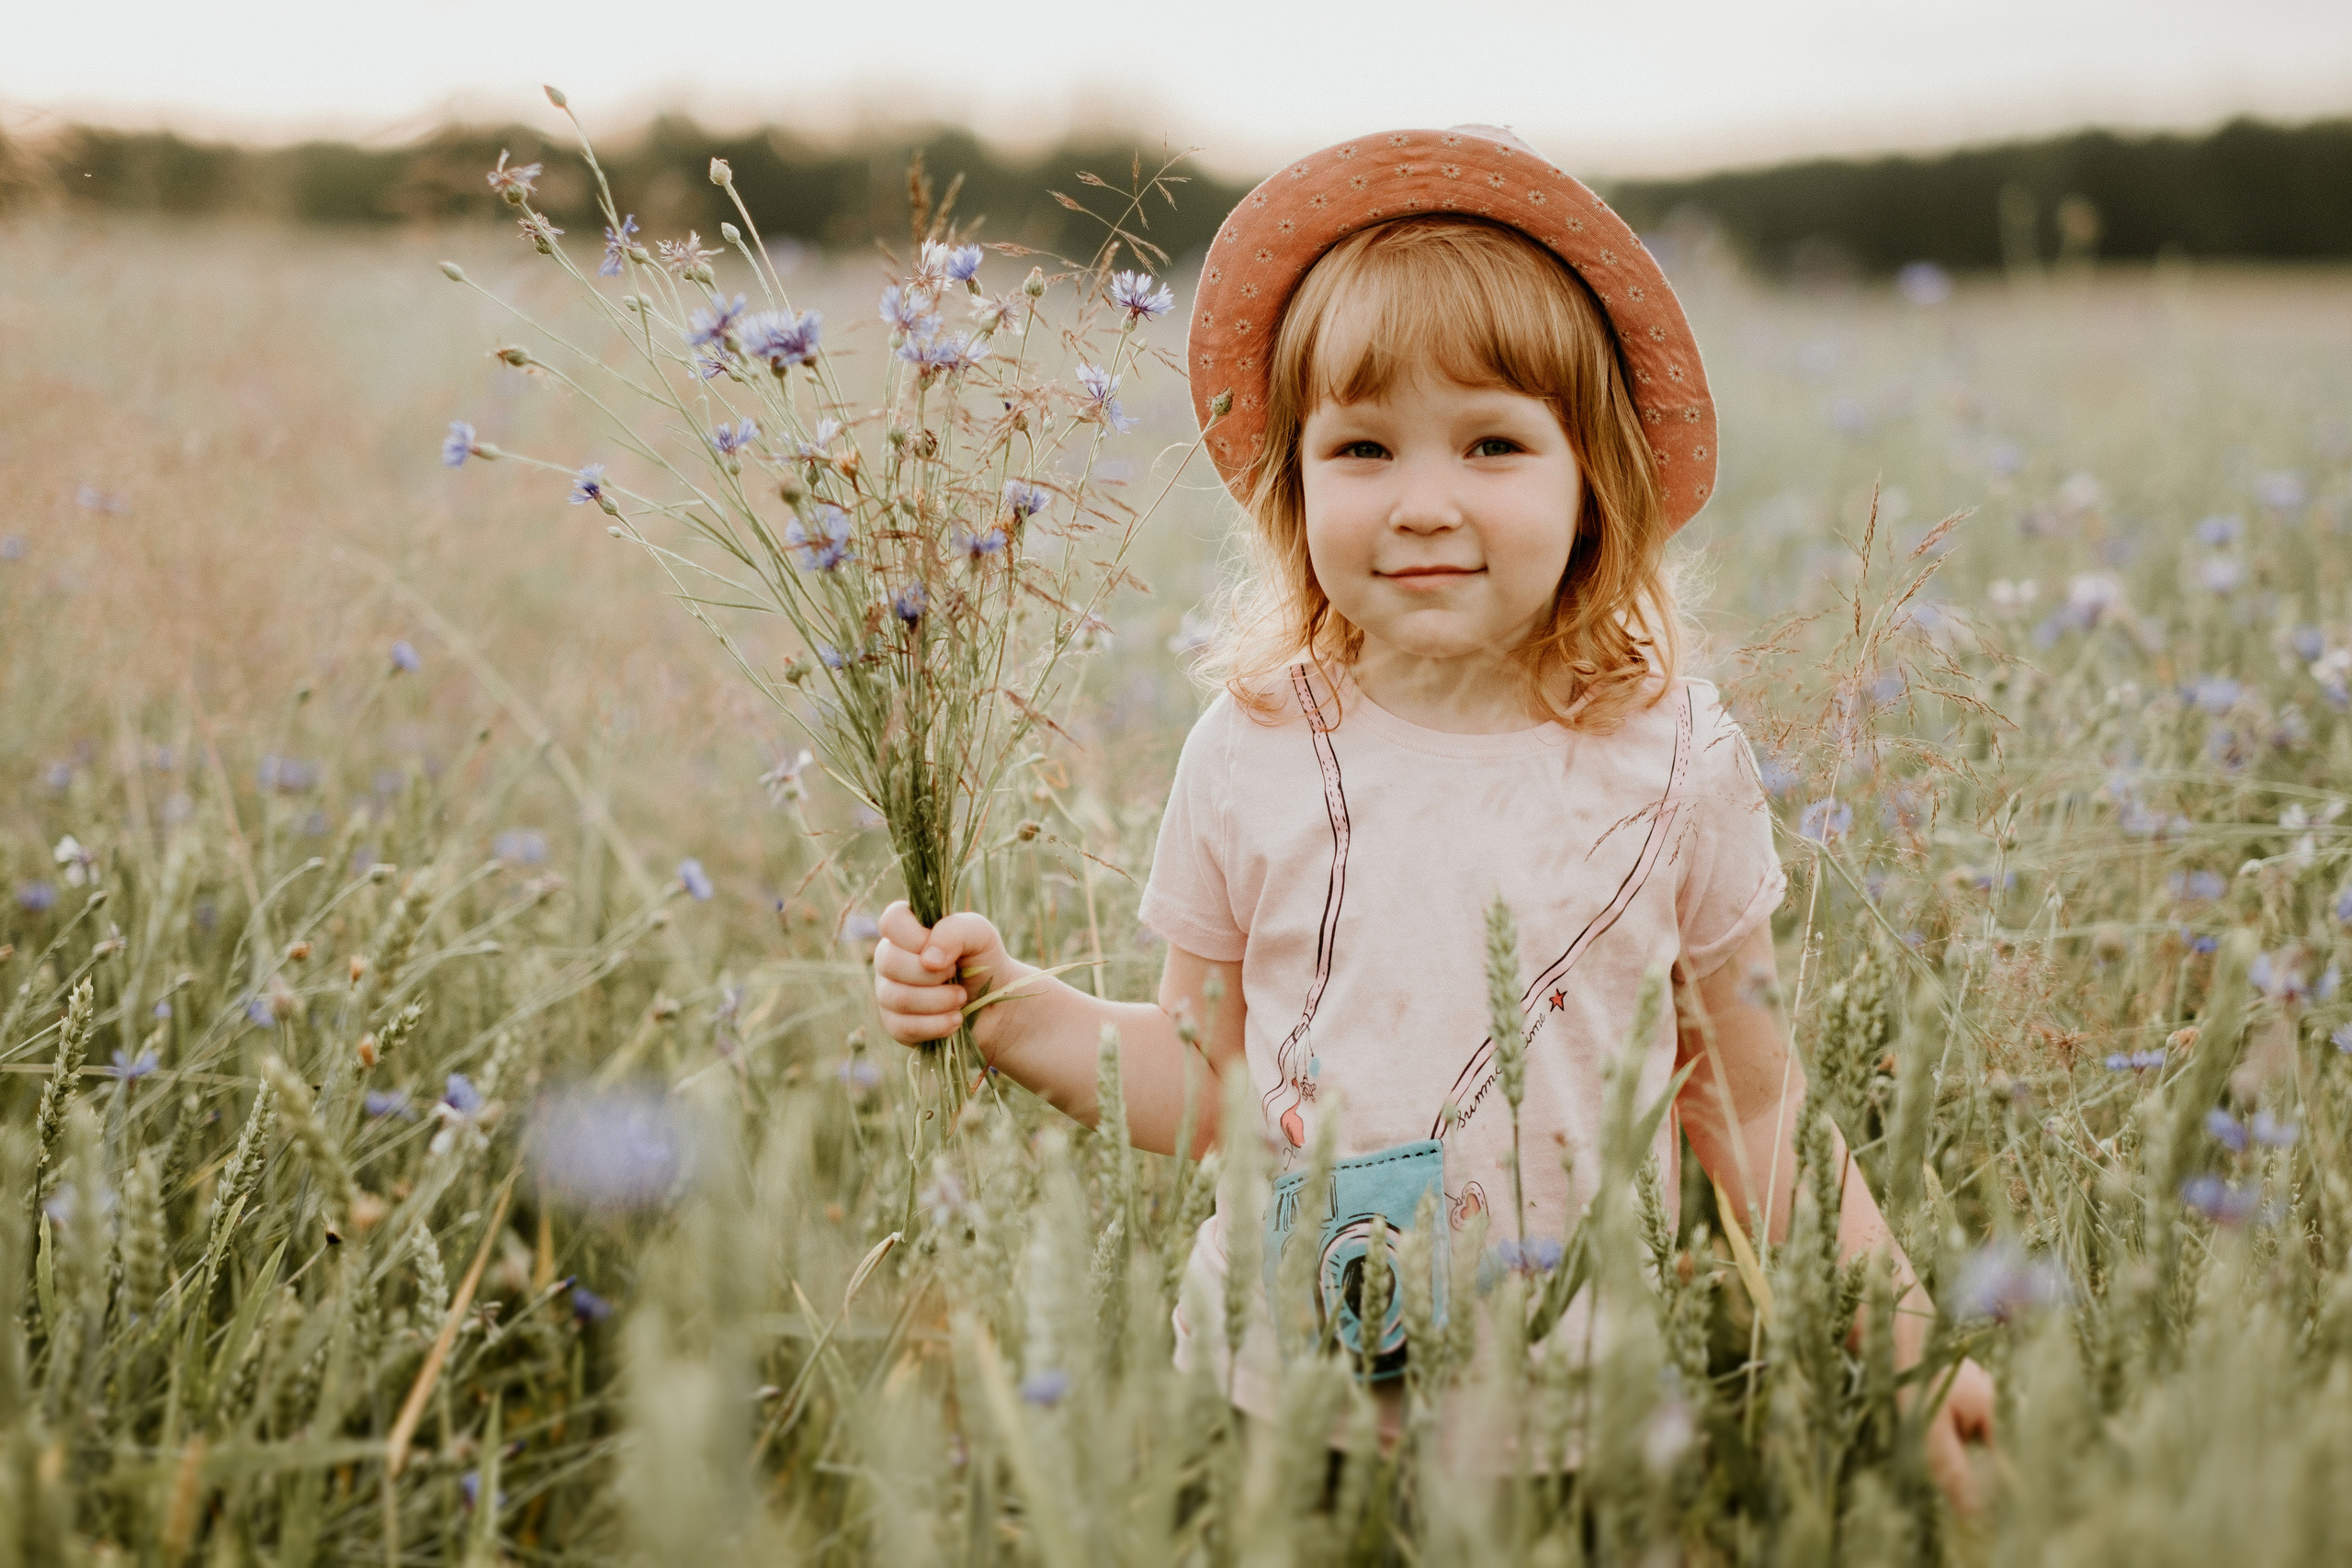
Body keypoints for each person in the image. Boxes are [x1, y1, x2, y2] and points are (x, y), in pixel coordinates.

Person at [874, 125, 1995, 1507]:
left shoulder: (1680, 759)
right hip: (1290, 1419)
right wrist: (1012, 1012)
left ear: (1598, 483)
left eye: (1492, 443)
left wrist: (1905, 1341)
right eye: (1361, 447)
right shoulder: (1252, 749)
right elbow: (1210, 1077)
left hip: (1585, 1426)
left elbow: (1752, 1104)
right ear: (1295, 483)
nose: (1421, 503)